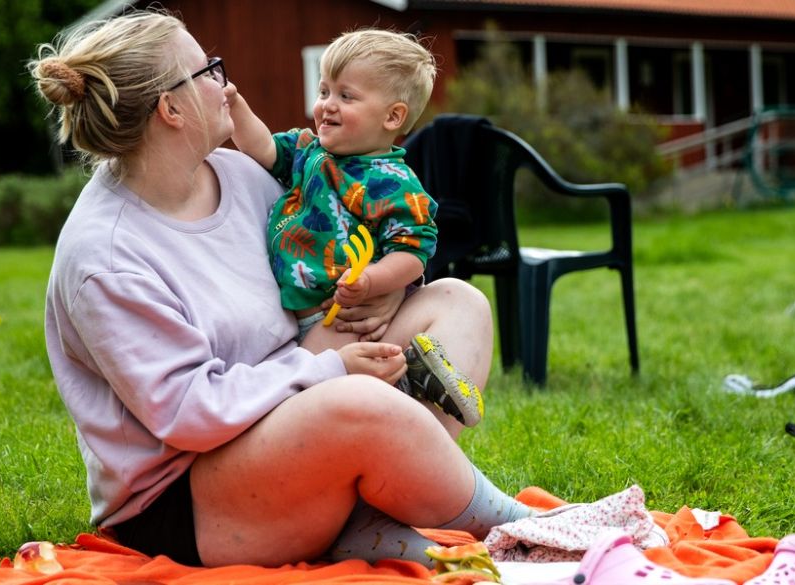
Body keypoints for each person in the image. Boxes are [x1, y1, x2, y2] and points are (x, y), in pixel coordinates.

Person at [29, 9, 533, 570]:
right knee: (357, 402)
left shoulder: (237, 175)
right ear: (171, 108)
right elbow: (191, 413)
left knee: (458, 303)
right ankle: (519, 527)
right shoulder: (106, 257)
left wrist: (385, 288)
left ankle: (368, 518)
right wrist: (332, 369)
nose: (227, 83)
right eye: (208, 71)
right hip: (190, 500)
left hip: (288, 400)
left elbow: (328, 250)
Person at [230, 29, 483, 427]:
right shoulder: (307, 151)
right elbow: (261, 147)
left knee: (310, 400)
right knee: (319, 396)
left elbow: (412, 253)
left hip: (340, 318)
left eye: (346, 96)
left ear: (392, 117)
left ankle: (411, 390)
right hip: (312, 316)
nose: (327, 105)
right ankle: (407, 381)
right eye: (324, 91)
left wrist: (372, 281)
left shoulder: (392, 183)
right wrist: (235, 107)